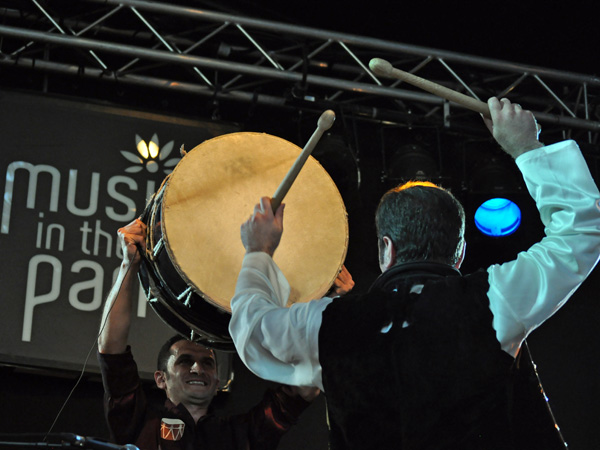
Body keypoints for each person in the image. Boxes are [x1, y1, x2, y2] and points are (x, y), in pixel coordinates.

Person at [228, 97, 600, 449]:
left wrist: (258, 252)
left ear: (385, 249)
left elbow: (252, 330)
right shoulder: (493, 301)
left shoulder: (328, 324)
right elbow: (583, 232)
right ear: (460, 253)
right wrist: (526, 147)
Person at [97, 219, 320, 450]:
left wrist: (328, 304)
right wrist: (128, 264)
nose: (198, 369)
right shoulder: (139, 424)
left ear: (217, 383)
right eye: (185, 361)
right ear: (161, 379)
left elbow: (307, 385)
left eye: (208, 363)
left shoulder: (242, 434)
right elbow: (111, 352)